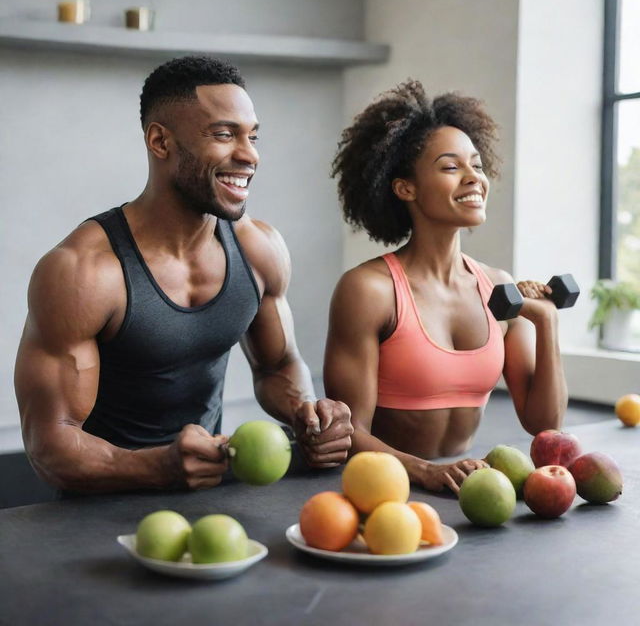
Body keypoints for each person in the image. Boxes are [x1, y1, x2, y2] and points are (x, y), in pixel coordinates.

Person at [14, 56, 353, 494]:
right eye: (224, 134)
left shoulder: (259, 249)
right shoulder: (83, 272)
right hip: (97, 511)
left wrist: (308, 413)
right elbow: (50, 445)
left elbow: (278, 365)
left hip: (209, 493)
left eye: (252, 136)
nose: (249, 155)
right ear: (160, 141)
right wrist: (158, 467)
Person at [324, 80, 567, 495]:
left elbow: (543, 423)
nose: (474, 178)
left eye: (477, 164)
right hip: (387, 490)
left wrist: (545, 323)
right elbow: (350, 434)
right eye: (451, 167)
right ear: (405, 188)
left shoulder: (500, 286)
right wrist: (425, 472)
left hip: (467, 492)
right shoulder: (369, 290)